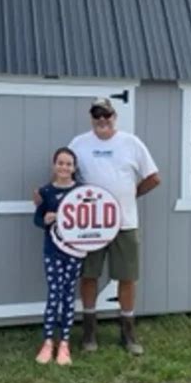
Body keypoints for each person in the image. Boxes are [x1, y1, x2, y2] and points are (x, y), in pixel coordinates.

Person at [69, 98, 161, 355]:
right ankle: (89, 332)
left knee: (127, 277)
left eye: (106, 114)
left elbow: (154, 178)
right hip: (90, 225)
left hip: (125, 224)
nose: (102, 120)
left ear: (114, 116)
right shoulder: (79, 144)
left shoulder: (131, 143)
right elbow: (66, 174)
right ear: (91, 118)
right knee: (89, 275)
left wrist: (130, 195)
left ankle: (128, 333)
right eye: (97, 115)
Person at [33, 147, 84, 366]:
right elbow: (36, 219)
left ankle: (64, 342)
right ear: (54, 166)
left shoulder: (83, 191)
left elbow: (91, 217)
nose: (64, 167)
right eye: (60, 163)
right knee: (54, 293)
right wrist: (45, 218)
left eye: (68, 164)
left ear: (74, 168)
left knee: (68, 293)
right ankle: (47, 342)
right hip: (52, 250)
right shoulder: (46, 192)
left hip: (74, 251)